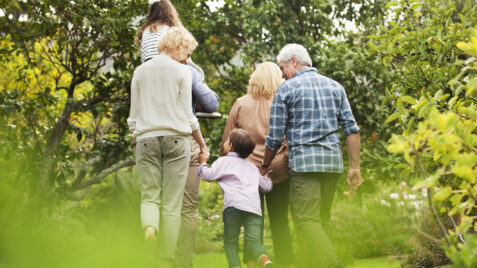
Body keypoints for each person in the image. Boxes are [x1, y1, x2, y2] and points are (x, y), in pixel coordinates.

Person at [261, 44, 362, 268]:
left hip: (304, 166)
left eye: (282, 68)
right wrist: (355, 167)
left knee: (306, 220)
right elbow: (351, 129)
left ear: (294, 62)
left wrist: (265, 165)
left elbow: (275, 136)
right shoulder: (336, 87)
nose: (281, 74)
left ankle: (333, 264)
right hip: (332, 165)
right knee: (319, 222)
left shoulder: (286, 90)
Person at [136, 3, 219, 267]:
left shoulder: (140, 68)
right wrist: (202, 145)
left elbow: (133, 115)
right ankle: (168, 260)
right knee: (175, 205)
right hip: (176, 138)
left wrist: (138, 136)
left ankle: (149, 229)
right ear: (178, 47)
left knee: (150, 197)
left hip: (146, 136)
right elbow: (188, 115)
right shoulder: (183, 69)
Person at [221, 62, 293, 268]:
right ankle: (286, 264)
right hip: (278, 170)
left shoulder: (241, 103)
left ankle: (253, 264)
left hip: (247, 173)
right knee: (280, 224)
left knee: (253, 224)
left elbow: (228, 141)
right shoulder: (283, 103)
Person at [197, 129, 274, 268]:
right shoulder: (252, 167)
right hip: (253, 208)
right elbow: (266, 188)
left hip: (233, 206)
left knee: (230, 242)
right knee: (253, 241)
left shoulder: (223, 162)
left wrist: (203, 163)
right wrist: (266, 178)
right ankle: (263, 258)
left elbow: (208, 176)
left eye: (226, 141)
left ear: (230, 146)